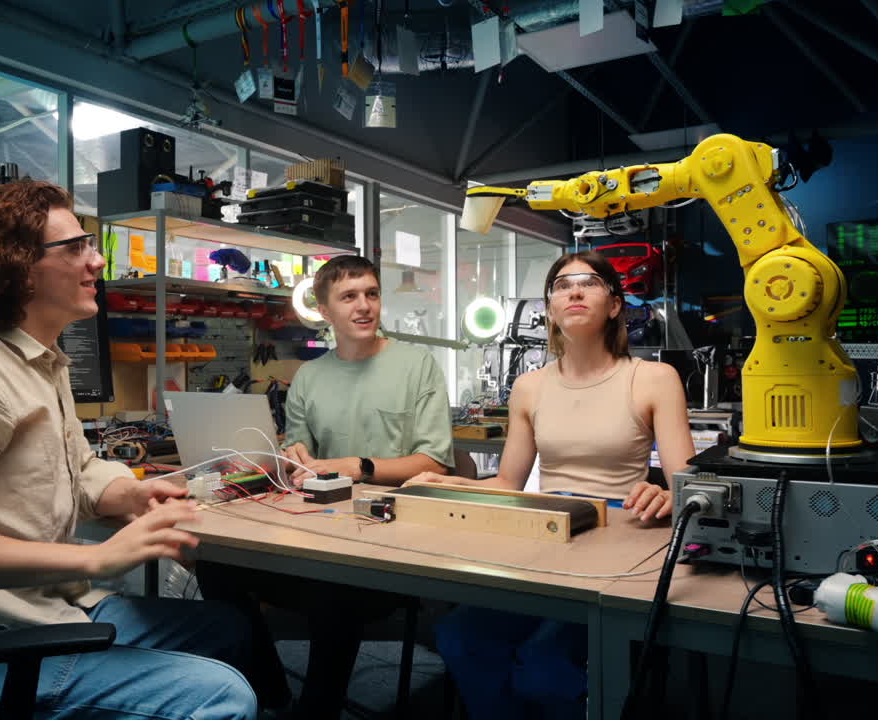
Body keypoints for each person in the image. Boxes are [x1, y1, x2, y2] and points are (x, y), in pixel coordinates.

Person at [0, 180, 258, 720]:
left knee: (229, 628)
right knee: (220, 695)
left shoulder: (40, 362)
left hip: (46, 611)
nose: (97, 260)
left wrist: (133, 493)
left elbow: (77, 467)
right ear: (19, 267)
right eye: (75, 247)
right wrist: (95, 558)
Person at [409, 250, 695, 719]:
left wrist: (665, 493)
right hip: (550, 538)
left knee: (543, 666)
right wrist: (441, 484)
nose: (575, 291)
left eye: (590, 282)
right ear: (550, 309)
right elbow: (508, 482)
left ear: (615, 305)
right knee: (459, 637)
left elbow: (688, 486)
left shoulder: (653, 379)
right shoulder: (530, 387)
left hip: (619, 546)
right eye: (563, 285)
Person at [197, 254, 454, 719]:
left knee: (336, 591)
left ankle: (317, 711)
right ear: (324, 310)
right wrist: (290, 459)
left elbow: (433, 461)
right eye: (349, 297)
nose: (364, 306)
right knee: (215, 568)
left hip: (391, 540)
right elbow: (298, 459)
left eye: (371, 294)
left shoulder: (418, 365)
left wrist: (361, 466)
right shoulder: (310, 377)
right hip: (321, 532)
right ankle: (272, 693)